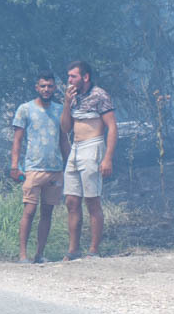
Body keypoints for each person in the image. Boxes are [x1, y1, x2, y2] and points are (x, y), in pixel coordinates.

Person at [59, 60, 116, 260]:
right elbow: (65, 127)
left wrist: (107, 158)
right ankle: (73, 250)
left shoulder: (99, 95)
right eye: (68, 76)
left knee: (92, 200)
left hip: (93, 146)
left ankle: (93, 250)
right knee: (71, 200)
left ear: (85, 77)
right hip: (75, 148)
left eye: (73, 76)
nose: (69, 80)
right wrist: (66, 103)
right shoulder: (72, 96)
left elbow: (112, 127)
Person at [10, 71, 67, 263]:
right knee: (29, 211)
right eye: (43, 86)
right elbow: (17, 140)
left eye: (50, 86)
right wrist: (14, 166)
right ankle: (23, 255)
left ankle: (39, 254)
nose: (46, 89)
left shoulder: (60, 110)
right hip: (33, 168)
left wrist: (68, 165)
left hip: (55, 169)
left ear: (55, 88)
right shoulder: (25, 109)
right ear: (37, 88)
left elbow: (63, 140)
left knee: (47, 213)